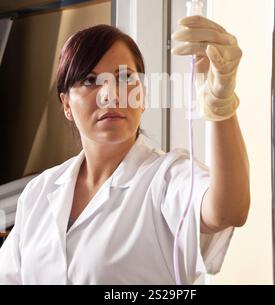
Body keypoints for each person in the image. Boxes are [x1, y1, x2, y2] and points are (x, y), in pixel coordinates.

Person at [0, 18, 250, 285]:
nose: (111, 94)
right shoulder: (39, 192)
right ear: (66, 105)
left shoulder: (166, 178)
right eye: (90, 80)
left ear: (142, 95)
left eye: (124, 78)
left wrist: (220, 106)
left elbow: (228, 210)